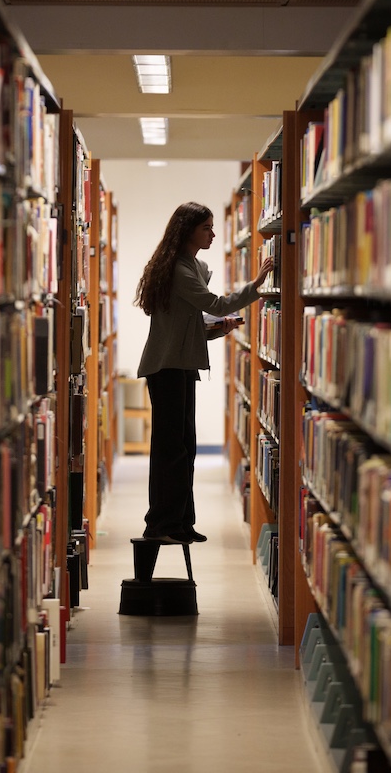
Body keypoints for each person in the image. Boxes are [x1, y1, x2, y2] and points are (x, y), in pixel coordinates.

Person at [134, 201, 275, 544]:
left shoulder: (193, 265)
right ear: (188, 231)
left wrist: (215, 330)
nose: (212, 233)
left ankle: (181, 521)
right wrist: (255, 286)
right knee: (171, 449)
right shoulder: (180, 270)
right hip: (166, 367)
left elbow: (189, 322)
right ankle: (161, 524)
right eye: (206, 228)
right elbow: (214, 304)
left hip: (181, 365)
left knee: (186, 445)